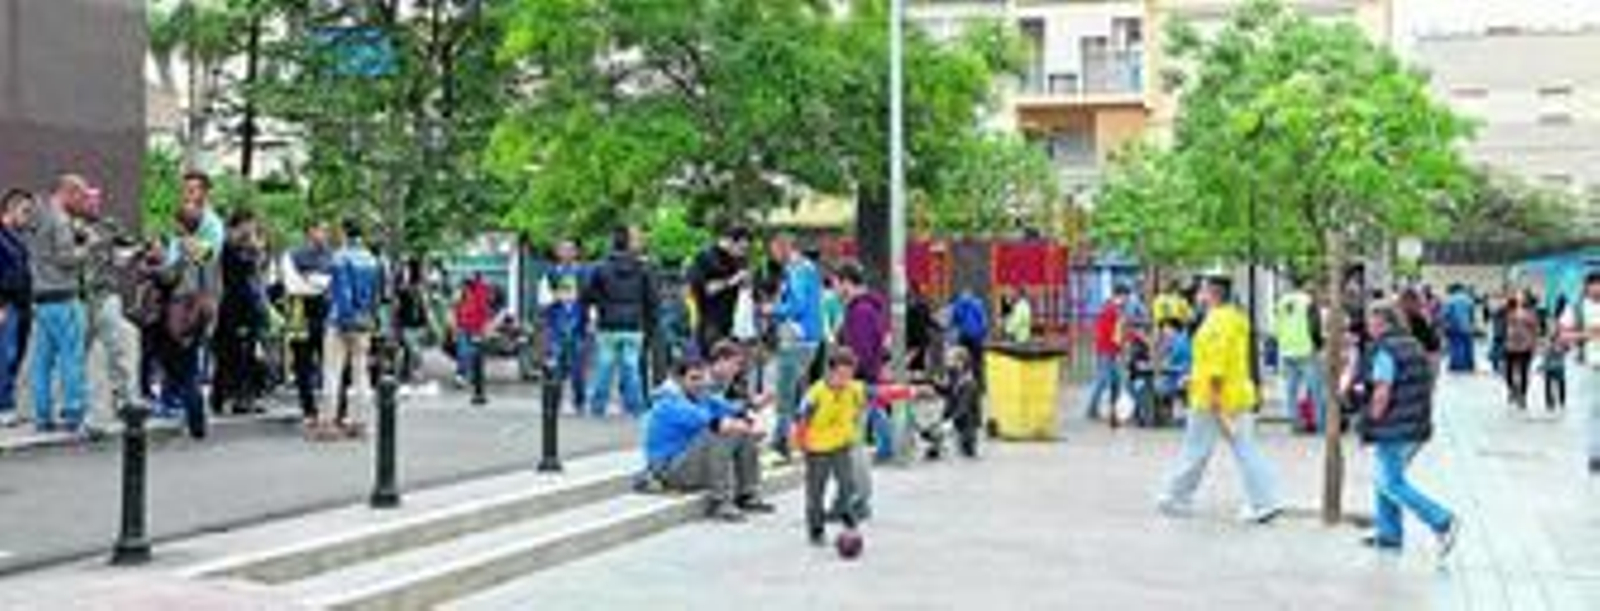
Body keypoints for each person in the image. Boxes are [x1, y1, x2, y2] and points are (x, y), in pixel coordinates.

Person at [1158, 277, 1283, 524]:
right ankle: (1265, 501)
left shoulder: (1216, 323)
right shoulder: (1236, 319)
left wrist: (1215, 400)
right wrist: (1194, 377)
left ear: (1212, 294)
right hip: (1235, 395)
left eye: (1202, 290)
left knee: (1196, 450)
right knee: (1245, 449)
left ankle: (1176, 496)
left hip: (1213, 400)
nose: (1198, 295)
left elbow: (1217, 365)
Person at [1357, 302, 1460, 557]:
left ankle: (1442, 520)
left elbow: (1382, 390)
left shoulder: (1385, 349)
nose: (1367, 326)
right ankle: (1389, 533)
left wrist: (1371, 419)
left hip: (1395, 425)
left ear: (1382, 322)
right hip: (1414, 422)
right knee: (1385, 478)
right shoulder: (1412, 344)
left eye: (1370, 321)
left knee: (1390, 482)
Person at [641, 358, 771, 522]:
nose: (700, 384)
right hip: (669, 470)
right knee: (724, 431)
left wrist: (752, 407)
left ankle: (747, 495)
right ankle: (719, 501)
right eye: (694, 378)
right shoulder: (668, 403)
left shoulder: (702, 397)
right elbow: (712, 422)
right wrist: (741, 424)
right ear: (679, 380)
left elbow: (730, 408)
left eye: (703, 378)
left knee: (744, 430)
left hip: (691, 463)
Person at [157, 171, 226, 439]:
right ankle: (177, 404)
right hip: (189, 301)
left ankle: (194, 416)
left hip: (191, 303)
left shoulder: (210, 225)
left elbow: (204, 259)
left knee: (187, 360)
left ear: (205, 192)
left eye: (194, 189)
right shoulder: (185, 232)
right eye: (186, 189)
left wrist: (165, 262)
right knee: (180, 358)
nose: (189, 193)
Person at [26, 176, 92, 435]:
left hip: (40, 298)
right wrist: (87, 248)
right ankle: (74, 413)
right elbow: (66, 259)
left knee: (41, 362)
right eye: (81, 196)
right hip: (63, 296)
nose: (84, 202)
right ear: (69, 192)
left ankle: (42, 416)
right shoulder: (60, 219)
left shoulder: (36, 216)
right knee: (71, 357)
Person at [319, 219, 383, 438]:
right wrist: (370, 318)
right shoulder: (372, 259)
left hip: (340, 321)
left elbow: (342, 292)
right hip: (365, 322)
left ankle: (328, 423)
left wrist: (346, 318)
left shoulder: (340, 257)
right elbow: (376, 295)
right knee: (361, 372)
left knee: (332, 371)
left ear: (344, 233)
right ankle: (360, 422)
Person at [798, 349, 868, 545]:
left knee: (848, 484)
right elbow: (802, 420)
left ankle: (845, 513)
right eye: (841, 375)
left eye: (849, 375)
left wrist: (910, 391)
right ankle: (816, 529)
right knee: (816, 492)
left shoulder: (854, 389)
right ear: (830, 372)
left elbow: (879, 393)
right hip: (817, 449)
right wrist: (802, 446)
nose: (845, 380)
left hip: (841, 445)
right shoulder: (815, 393)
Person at [764, 233, 824, 461]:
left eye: (774, 251)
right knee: (801, 393)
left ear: (784, 247)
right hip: (810, 338)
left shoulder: (797, 270)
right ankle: (803, 439)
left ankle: (781, 444)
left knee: (785, 395)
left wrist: (773, 309)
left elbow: (797, 305)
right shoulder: (809, 268)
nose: (773, 256)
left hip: (796, 338)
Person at [585, 226, 656, 418]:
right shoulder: (643, 268)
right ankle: (636, 408)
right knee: (631, 368)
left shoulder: (600, 267)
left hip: (607, 324)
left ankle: (597, 407)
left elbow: (588, 294)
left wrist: (602, 305)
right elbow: (651, 299)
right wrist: (649, 323)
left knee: (604, 367)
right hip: (634, 325)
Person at [212, 209, 269, 415]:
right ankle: (233, 398)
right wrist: (256, 249)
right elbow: (241, 272)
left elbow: (257, 272)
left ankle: (237, 398)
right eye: (249, 225)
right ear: (239, 225)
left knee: (244, 354)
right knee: (234, 355)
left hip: (247, 307)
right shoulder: (230, 247)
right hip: (235, 308)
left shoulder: (243, 247)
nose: (252, 229)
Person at [834, 261, 892, 459]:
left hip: (862, 373)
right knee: (874, 408)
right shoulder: (865, 308)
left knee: (871, 409)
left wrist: (850, 372)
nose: (835, 290)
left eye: (836, 284)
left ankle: (886, 446)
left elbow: (861, 348)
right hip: (868, 371)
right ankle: (886, 446)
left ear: (846, 283)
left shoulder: (860, 311)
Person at [281, 222, 334, 431]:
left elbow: (331, 283)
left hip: (323, 315)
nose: (324, 233)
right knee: (303, 365)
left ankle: (329, 411)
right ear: (309, 231)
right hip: (299, 316)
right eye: (321, 229)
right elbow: (292, 285)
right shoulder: (291, 255)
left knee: (328, 364)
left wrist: (308, 280)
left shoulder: (332, 255)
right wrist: (319, 283)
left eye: (326, 230)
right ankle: (309, 411)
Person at [1558, 273, 1600, 474]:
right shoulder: (1576, 308)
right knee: (1593, 410)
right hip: (1589, 366)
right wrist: (1587, 334)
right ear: (1587, 287)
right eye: (1595, 285)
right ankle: (1595, 454)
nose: (1598, 289)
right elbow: (1563, 336)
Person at [687, 226, 750, 352]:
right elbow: (706, 289)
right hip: (710, 327)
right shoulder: (705, 257)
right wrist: (732, 281)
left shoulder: (738, 260)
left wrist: (745, 283)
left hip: (731, 326)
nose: (744, 253)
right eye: (742, 248)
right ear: (730, 242)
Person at [1275, 280, 1327, 433]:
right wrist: (1318, 345)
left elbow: (1276, 327)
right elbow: (1314, 326)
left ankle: (1295, 423)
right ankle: (1320, 424)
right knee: (1316, 389)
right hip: (1306, 349)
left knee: (1291, 390)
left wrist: (1283, 343)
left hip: (1287, 349)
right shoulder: (1308, 302)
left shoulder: (1281, 302)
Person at [0, 190, 33, 428]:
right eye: (25, 211)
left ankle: (9, 403)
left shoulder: (17, 238)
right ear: (11, 209)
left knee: (14, 355)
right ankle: (4, 406)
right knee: (6, 355)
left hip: (20, 304)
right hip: (6, 304)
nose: (28, 217)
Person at [921, 345, 982, 459]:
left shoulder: (969, 382)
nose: (947, 362)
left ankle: (960, 444)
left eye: (950, 359)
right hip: (953, 417)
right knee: (929, 432)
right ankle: (938, 444)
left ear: (960, 362)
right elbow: (948, 391)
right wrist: (934, 383)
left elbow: (964, 408)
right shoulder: (954, 375)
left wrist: (950, 423)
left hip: (965, 424)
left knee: (963, 451)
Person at [1085, 285, 1130, 423]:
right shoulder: (1110, 310)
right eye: (1125, 296)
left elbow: (1120, 330)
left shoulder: (1116, 309)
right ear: (1119, 295)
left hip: (1111, 350)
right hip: (1107, 350)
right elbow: (1111, 332)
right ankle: (1092, 409)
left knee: (1115, 380)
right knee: (1103, 380)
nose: (1127, 299)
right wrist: (1121, 344)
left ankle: (1112, 409)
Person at [543, 277, 587, 411]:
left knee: (577, 373)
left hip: (575, 341)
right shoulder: (552, 308)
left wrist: (583, 339)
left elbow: (585, 326)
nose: (567, 295)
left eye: (570, 291)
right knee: (557, 373)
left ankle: (579, 401)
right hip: (558, 342)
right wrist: (549, 345)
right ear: (558, 293)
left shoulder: (581, 308)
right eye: (564, 291)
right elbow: (549, 327)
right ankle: (555, 401)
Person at [395, 257, 433, 383]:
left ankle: (409, 372)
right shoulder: (418, 289)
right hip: (414, 323)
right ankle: (411, 372)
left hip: (411, 323)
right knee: (414, 349)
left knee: (412, 349)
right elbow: (426, 307)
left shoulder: (406, 289)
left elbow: (398, 306)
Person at [453, 274, 494, 390]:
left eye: (465, 286)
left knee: (472, 353)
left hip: (475, 329)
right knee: (463, 352)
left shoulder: (478, 297)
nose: (463, 288)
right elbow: (456, 313)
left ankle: (469, 376)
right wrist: (455, 328)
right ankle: (462, 375)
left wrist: (484, 329)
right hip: (464, 328)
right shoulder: (461, 298)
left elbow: (484, 313)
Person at [1503, 293, 1540, 411]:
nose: (1520, 300)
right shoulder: (1508, 312)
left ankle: (1523, 396)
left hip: (1526, 345)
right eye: (1518, 298)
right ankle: (1512, 389)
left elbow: (1535, 330)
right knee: (1508, 371)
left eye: (1522, 298)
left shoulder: (1532, 314)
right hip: (1510, 345)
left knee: (1524, 371)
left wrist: (1535, 345)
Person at [949, 290, 989, 387]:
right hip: (976, 336)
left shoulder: (957, 305)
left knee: (961, 359)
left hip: (963, 336)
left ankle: (961, 382)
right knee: (977, 360)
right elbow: (984, 320)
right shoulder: (978, 303)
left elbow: (954, 321)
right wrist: (983, 333)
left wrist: (954, 333)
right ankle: (980, 384)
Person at [1442, 285, 1476, 373]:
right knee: (1468, 345)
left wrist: (1446, 325)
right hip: (1467, 326)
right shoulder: (1468, 299)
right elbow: (1472, 314)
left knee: (1455, 346)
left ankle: (1456, 365)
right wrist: (1471, 324)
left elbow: (1446, 314)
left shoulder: (1450, 300)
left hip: (1454, 326)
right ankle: (1469, 364)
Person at [1542, 322, 1569, 412]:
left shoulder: (1562, 339)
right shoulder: (1546, 340)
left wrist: (1561, 349)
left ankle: (1561, 401)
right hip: (1549, 365)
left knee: (1560, 383)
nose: (1552, 331)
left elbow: (1567, 348)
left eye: (1554, 329)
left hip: (1558, 365)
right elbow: (1543, 351)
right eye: (1550, 329)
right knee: (1549, 384)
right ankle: (1549, 402)